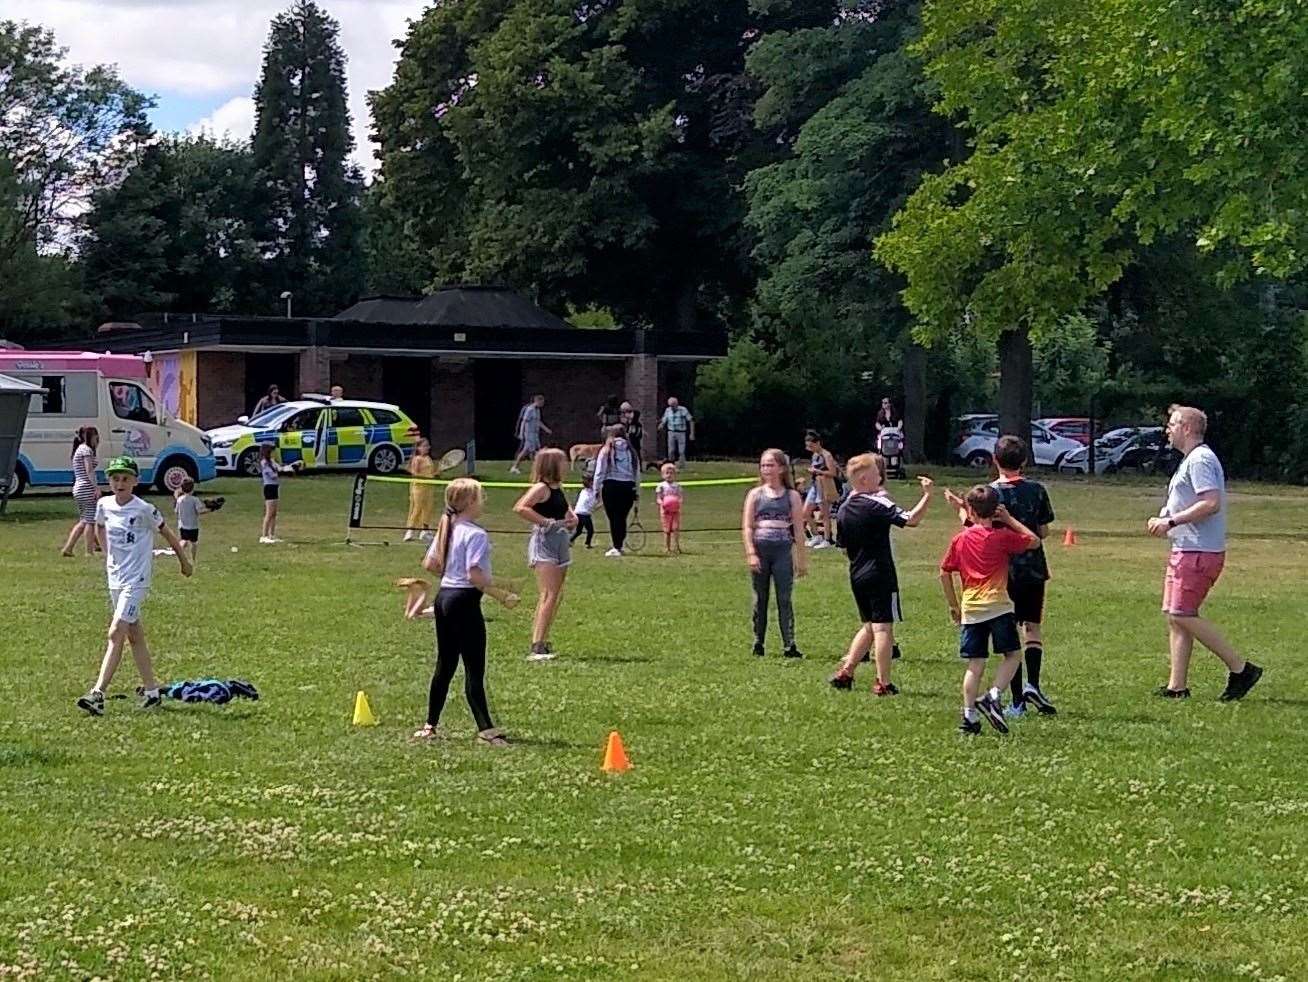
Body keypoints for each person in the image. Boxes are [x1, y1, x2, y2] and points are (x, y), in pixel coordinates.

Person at [1147, 406, 1263, 701]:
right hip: (1186, 548)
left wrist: (1171, 521)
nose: (1167, 430)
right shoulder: (1191, 460)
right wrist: (1166, 516)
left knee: (1181, 613)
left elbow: (1210, 503)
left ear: (1187, 428)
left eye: (1172, 424)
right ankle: (1177, 687)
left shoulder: (1200, 460)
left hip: (1198, 552)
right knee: (1176, 617)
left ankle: (1241, 669)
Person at [948, 435, 1059, 717]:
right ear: (1024, 461)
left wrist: (960, 509)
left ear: (995, 460)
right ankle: (1034, 684)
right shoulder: (1037, 489)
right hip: (1034, 566)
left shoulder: (991, 493)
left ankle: (1018, 700)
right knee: (1032, 628)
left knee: (1011, 638)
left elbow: (976, 528)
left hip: (1002, 573)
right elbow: (1043, 532)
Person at [76, 456, 192, 716]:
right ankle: (152, 692)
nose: (120, 483)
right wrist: (107, 554)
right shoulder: (104, 504)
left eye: (125, 478)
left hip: (136, 580)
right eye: (115, 478)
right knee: (134, 635)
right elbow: (100, 528)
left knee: (116, 632)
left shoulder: (144, 509)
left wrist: (184, 562)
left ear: (135, 482)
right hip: (115, 578)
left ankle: (98, 694)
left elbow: (168, 533)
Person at [414, 478, 518, 745]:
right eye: (481, 497)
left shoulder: (447, 528)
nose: (484, 502)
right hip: (464, 602)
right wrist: (502, 595)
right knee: (474, 669)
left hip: (444, 598)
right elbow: (474, 575)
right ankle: (486, 730)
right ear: (470, 503)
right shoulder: (476, 534)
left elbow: (430, 564)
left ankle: (430, 725)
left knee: (445, 664)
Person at [939, 485, 1040, 735]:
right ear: (995, 510)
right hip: (998, 606)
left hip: (971, 607)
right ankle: (993, 695)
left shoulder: (960, 539)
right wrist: (1009, 519)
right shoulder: (1002, 536)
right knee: (1013, 655)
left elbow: (944, 572)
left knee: (976, 663)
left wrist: (953, 605)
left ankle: (969, 717)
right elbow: (1035, 541)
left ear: (970, 511)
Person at [828, 458, 933, 695]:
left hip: (856, 573)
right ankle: (883, 683)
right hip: (880, 573)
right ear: (864, 479)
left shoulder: (844, 508)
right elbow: (911, 520)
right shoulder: (877, 503)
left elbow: (843, 547)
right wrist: (927, 495)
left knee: (868, 626)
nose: (881, 478)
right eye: (877, 474)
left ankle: (846, 672)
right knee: (883, 628)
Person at [512, 447, 578, 661]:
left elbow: (566, 510)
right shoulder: (541, 488)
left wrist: (572, 518)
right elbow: (521, 508)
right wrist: (544, 522)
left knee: (557, 595)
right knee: (548, 594)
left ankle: (544, 639)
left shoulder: (558, 488)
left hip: (560, 541)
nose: (566, 465)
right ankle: (536, 645)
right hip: (544, 543)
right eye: (563, 461)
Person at [741, 449, 808, 658]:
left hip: (782, 551)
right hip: (761, 550)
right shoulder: (755, 494)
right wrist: (751, 553)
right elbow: (748, 526)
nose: (766, 469)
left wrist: (801, 559)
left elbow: (798, 529)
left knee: (784, 599)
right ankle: (758, 642)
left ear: (781, 468)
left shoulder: (792, 496)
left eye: (770, 465)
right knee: (760, 598)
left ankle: (789, 644)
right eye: (763, 465)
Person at [593, 423, 639, 557]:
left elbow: (599, 471)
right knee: (622, 517)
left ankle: (616, 546)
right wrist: (636, 491)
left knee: (613, 518)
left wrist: (596, 489)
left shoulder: (606, 450)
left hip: (611, 486)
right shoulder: (632, 451)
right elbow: (636, 473)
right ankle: (619, 545)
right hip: (628, 487)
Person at [62, 427, 102, 557]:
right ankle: (88, 551)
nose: (98, 440)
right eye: (96, 437)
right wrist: (95, 487)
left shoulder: (79, 449)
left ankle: (69, 548)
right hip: (86, 487)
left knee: (84, 520)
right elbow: (89, 470)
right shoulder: (86, 450)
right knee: (90, 521)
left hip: (78, 487)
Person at [803, 430, 840, 549]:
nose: (809, 448)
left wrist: (818, 471)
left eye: (811, 445)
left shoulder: (826, 455)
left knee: (825, 514)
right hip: (814, 485)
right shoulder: (814, 455)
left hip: (824, 485)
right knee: (805, 512)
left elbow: (833, 472)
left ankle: (827, 539)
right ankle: (816, 536)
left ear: (818, 443)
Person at [258, 443, 299, 544]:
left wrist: (289, 468)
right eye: (271, 451)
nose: (273, 453)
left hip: (275, 487)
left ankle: (272, 535)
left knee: (274, 513)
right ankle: (264, 536)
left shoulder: (272, 461)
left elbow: (280, 468)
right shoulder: (264, 463)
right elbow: (272, 475)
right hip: (269, 488)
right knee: (269, 513)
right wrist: (281, 472)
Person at [173, 477, 217, 565]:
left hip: (182, 525)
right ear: (192, 488)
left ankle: (179, 553)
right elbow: (200, 511)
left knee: (183, 540)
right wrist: (211, 509)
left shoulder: (179, 499)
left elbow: (176, 511)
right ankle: (193, 559)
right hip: (193, 526)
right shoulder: (194, 500)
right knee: (194, 543)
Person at [404, 437, 439, 541]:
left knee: (427, 509)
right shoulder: (417, 459)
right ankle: (410, 531)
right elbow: (415, 473)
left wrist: (434, 474)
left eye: (428, 446)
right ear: (418, 448)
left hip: (429, 487)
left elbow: (430, 473)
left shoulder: (428, 459)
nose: (427, 448)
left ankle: (425, 531)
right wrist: (426, 477)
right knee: (417, 509)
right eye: (424, 446)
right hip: (418, 488)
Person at [510, 393, 552, 474]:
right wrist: (521, 433)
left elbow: (538, 421)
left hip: (535, 434)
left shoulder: (537, 410)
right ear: (537, 401)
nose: (542, 404)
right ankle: (515, 467)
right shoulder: (530, 409)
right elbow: (524, 421)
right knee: (526, 451)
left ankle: (537, 468)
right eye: (541, 402)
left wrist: (546, 429)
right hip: (529, 434)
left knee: (535, 451)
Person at [655, 461, 684, 555]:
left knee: (675, 529)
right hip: (665, 511)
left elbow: (680, 497)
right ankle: (667, 548)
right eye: (667, 473)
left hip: (675, 511)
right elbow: (658, 498)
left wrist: (678, 503)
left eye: (671, 473)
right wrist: (662, 504)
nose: (669, 475)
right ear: (663, 475)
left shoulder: (677, 486)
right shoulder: (661, 486)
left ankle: (677, 547)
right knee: (667, 530)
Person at [658, 397, 694, 467]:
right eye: (670, 406)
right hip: (671, 432)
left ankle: (682, 464)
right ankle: (671, 464)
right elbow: (664, 419)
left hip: (681, 432)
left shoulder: (683, 410)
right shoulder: (668, 410)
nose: (672, 407)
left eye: (673, 406)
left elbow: (691, 420)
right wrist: (661, 424)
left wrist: (691, 433)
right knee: (671, 450)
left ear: (676, 404)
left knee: (681, 450)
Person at [570, 473, 597, 549]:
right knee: (590, 530)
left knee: (579, 531)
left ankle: (570, 540)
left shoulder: (583, 491)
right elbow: (592, 504)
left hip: (578, 513)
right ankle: (587, 544)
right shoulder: (590, 492)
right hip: (584, 514)